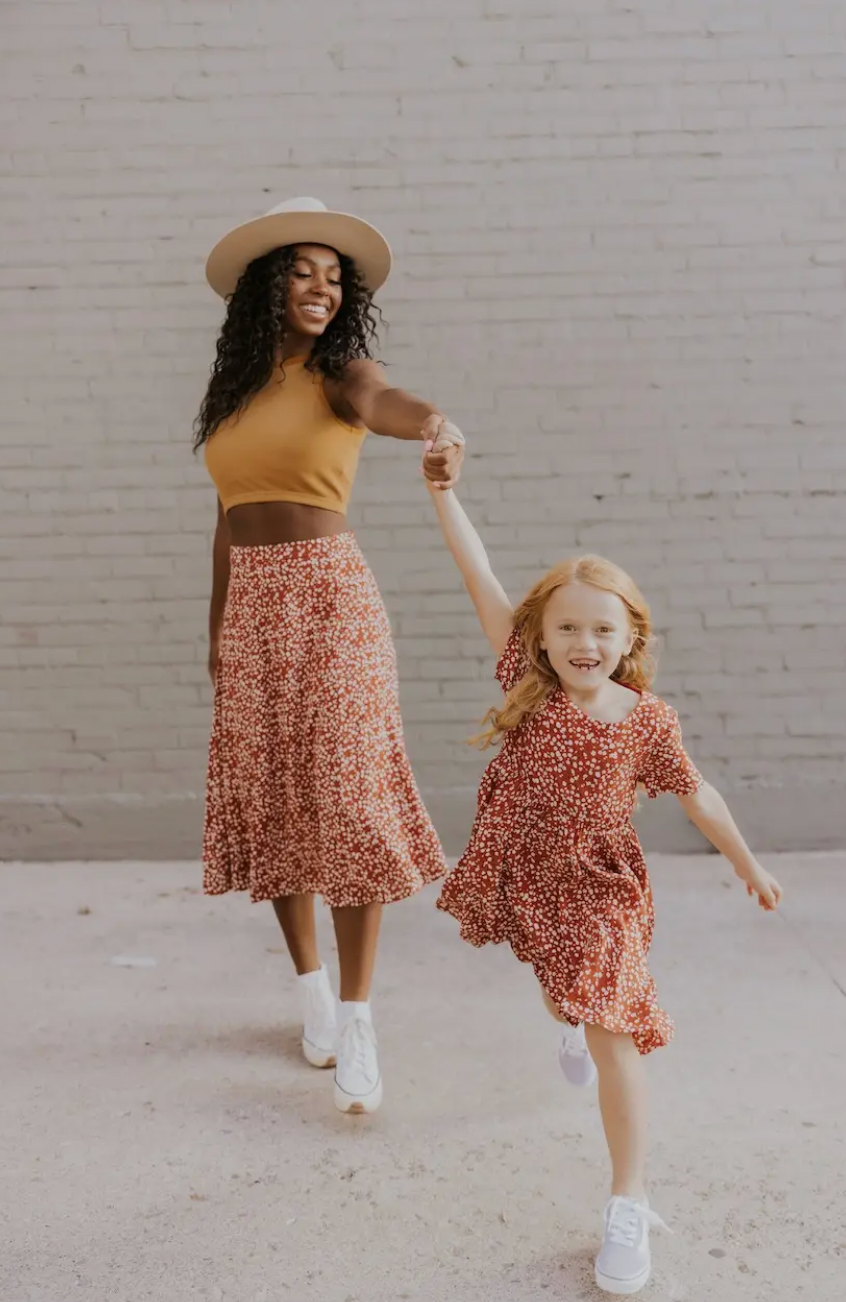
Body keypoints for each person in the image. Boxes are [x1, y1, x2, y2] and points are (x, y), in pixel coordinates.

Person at [422, 468, 783, 1295]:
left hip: (602, 885)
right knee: (568, 1003)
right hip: (525, 868)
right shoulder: (526, 679)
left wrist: (748, 864)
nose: (585, 643)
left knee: (611, 1028)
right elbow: (477, 572)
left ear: (629, 641)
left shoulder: (646, 720)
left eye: (603, 630)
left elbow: (697, 793)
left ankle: (628, 1199)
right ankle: (568, 1022)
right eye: (569, 627)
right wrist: (444, 492)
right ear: (541, 637)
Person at [195, 197, 464, 1116]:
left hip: (329, 593)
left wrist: (434, 422)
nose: (321, 287)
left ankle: (356, 1015)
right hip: (255, 605)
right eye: (302, 272)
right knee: (274, 798)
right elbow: (227, 520)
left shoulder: (342, 371)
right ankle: (308, 986)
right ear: (267, 287)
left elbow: (387, 403)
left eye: (334, 276)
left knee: (345, 798)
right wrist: (217, 628)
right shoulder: (231, 393)